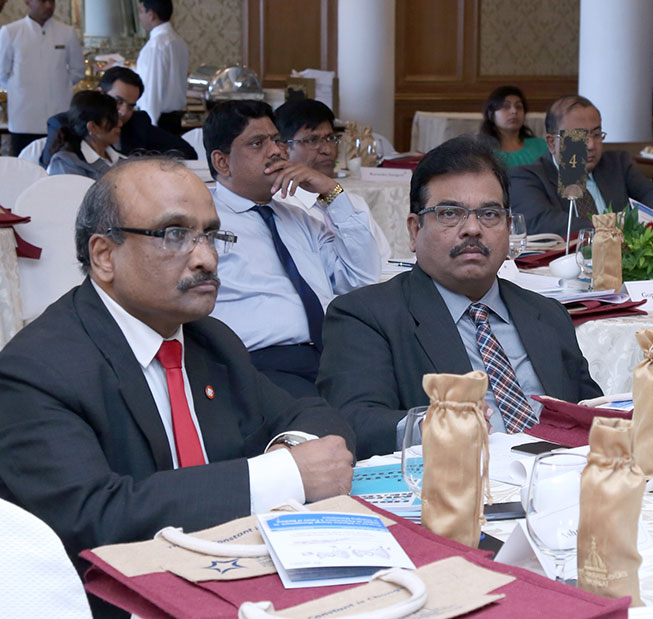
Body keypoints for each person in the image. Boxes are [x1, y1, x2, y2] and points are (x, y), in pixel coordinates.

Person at [0, 157, 356, 581]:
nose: (206, 258)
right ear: (104, 256)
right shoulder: (36, 369)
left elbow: (313, 414)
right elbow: (92, 517)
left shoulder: (210, 340)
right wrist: (281, 475)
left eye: (211, 235)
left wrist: (289, 452)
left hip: (233, 571)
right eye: (174, 235)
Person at [318, 137, 602, 459]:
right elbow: (354, 423)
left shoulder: (547, 314)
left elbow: (589, 415)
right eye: (450, 213)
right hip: (457, 478)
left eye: (489, 214)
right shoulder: (365, 315)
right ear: (414, 230)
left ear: (509, 228)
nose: (472, 229)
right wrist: (433, 426)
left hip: (562, 475)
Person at [205, 100, 381, 398]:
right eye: (257, 143)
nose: (275, 151)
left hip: (332, 355)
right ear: (222, 163)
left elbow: (360, 279)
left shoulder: (299, 217)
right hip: (261, 363)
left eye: (276, 140)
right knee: (337, 418)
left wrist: (331, 193)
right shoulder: (203, 222)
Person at [508, 95, 653, 235]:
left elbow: (649, 192)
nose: (590, 145)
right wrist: (612, 225)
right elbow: (543, 223)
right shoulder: (527, 177)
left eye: (596, 134)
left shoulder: (617, 164)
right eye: (578, 136)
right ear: (552, 143)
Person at [274, 98, 391, 262]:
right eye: (312, 140)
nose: (327, 150)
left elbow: (384, 261)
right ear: (283, 149)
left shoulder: (354, 204)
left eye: (330, 138)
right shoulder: (281, 208)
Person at [40, 66, 197, 167]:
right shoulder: (64, 123)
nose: (123, 112)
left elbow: (186, 152)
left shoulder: (137, 122)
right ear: (99, 93)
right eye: (118, 101)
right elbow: (50, 168)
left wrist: (144, 166)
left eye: (130, 106)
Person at [0, 0, 86, 156]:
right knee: (24, 164)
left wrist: (59, 85)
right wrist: (19, 89)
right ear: (28, 2)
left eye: (51, 1)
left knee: (60, 164)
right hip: (23, 118)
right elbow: (2, 73)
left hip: (58, 116)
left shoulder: (67, 32)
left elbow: (78, 71)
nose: (48, 6)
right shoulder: (10, 32)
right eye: (42, 1)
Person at [135, 0, 189, 134]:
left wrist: (149, 127)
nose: (139, 16)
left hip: (158, 121)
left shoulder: (156, 45)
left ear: (151, 15)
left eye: (141, 12)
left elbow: (152, 89)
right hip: (174, 119)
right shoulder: (178, 41)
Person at [47, 91, 123, 180]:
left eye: (118, 117)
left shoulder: (121, 159)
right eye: (112, 119)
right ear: (92, 127)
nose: (120, 124)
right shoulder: (66, 163)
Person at [478, 85, 547, 168]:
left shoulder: (542, 146)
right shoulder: (481, 151)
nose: (514, 111)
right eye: (506, 106)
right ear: (491, 114)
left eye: (519, 107)